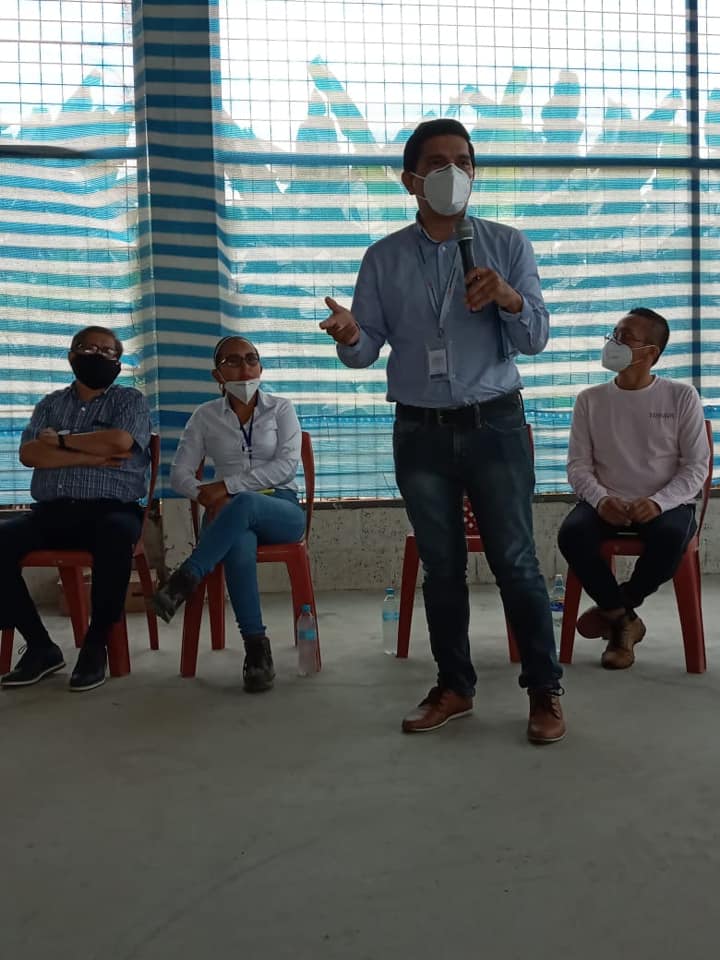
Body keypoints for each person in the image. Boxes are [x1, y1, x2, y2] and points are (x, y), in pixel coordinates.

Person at [319, 118, 565, 743]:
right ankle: (455, 686)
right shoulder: (383, 257)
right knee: (442, 565)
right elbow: (364, 351)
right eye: (437, 163)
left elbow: (535, 338)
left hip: (495, 425)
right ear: (411, 180)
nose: (453, 173)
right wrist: (349, 334)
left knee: (516, 561)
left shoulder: (507, 244)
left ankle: (544, 689)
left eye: (463, 162)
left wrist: (509, 298)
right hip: (420, 432)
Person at [0, 326, 152, 692]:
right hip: (52, 512)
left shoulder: (129, 401)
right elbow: (30, 454)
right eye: (89, 348)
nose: (98, 356)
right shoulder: (50, 404)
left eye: (107, 351)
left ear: (118, 363)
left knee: (115, 537)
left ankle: (95, 644)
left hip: (112, 511)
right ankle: (40, 646)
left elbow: (119, 441)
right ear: (72, 356)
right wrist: (92, 455)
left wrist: (63, 441)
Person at [152, 336, 306, 693]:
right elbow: (179, 474)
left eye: (252, 359)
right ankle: (256, 649)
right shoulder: (205, 416)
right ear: (217, 374)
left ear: (261, 367)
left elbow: (286, 466)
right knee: (238, 543)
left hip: (280, 507)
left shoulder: (281, 408)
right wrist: (204, 495)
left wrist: (228, 487)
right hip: (224, 513)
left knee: (245, 503)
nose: (245, 368)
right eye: (233, 361)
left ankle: (185, 579)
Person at [558, 308, 709, 669]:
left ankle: (616, 610)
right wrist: (600, 499)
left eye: (625, 337)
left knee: (671, 538)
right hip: (605, 502)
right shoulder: (590, 400)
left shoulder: (681, 397)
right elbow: (578, 466)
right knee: (571, 535)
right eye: (613, 334)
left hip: (666, 505)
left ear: (650, 353)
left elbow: (696, 467)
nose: (614, 342)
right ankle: (624, 621)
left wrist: (658, 502)